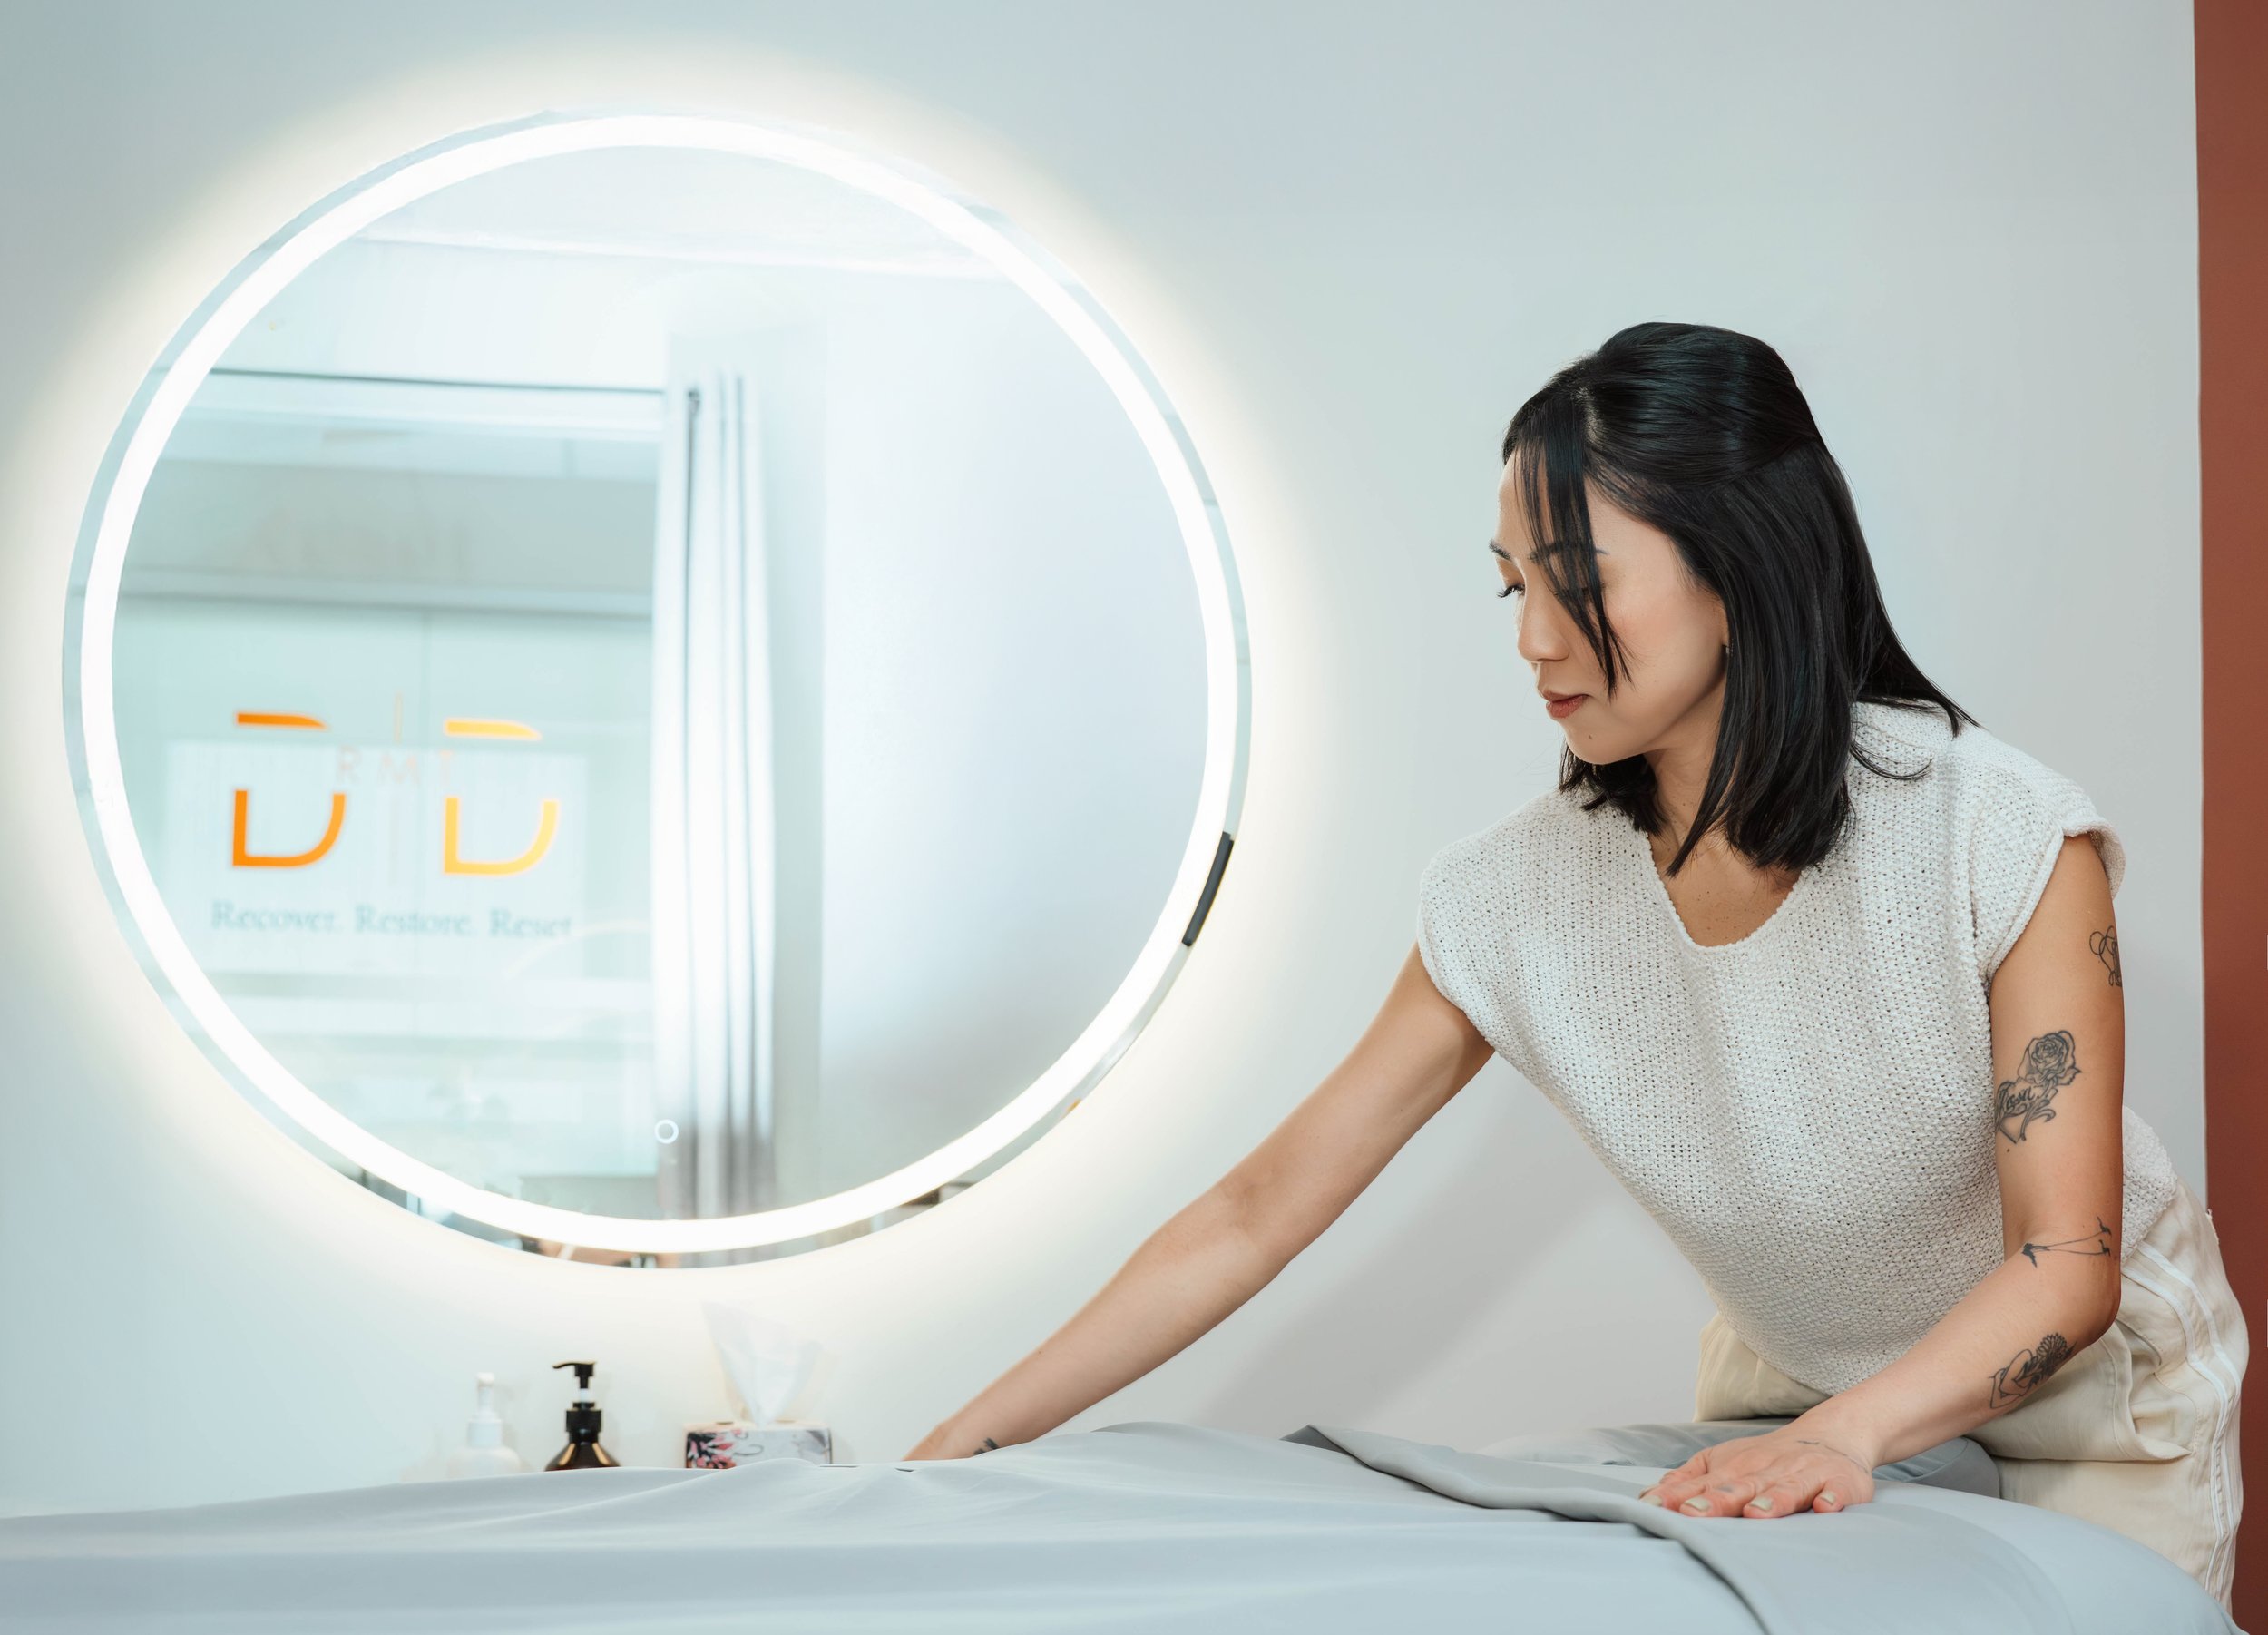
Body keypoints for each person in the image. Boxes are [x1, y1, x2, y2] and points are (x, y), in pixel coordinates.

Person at [904, 321, 2246, 1613]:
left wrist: (1849, 1439)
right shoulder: (1510, 900)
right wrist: (951, 1452)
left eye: (1580, 582)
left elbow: (2065, 1266)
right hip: (1794, 1406)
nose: (1535, 638)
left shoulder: (1999, 833)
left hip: (2087, 1416)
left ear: (1745, 562)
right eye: (1514, 584)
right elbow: (1255, 1212)